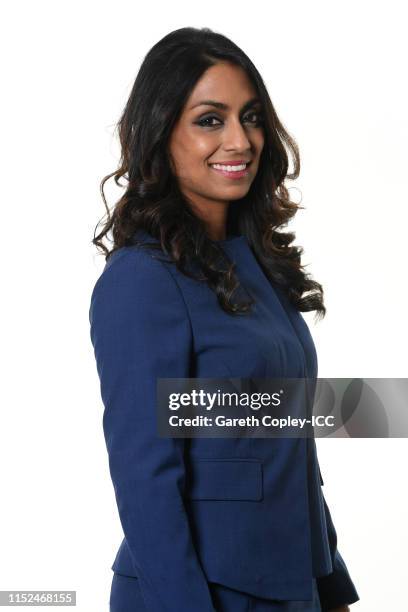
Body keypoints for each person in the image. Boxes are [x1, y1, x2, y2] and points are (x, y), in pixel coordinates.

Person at [89, 26, 360, 612]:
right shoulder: (141, 280)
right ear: (160, 134)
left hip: (293, 586)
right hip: (200, 595)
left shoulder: (257, 264)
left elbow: (290, 440)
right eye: (210, 119)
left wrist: (331, 584)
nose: (241, 139)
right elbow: (145, 480)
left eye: (252, 116)